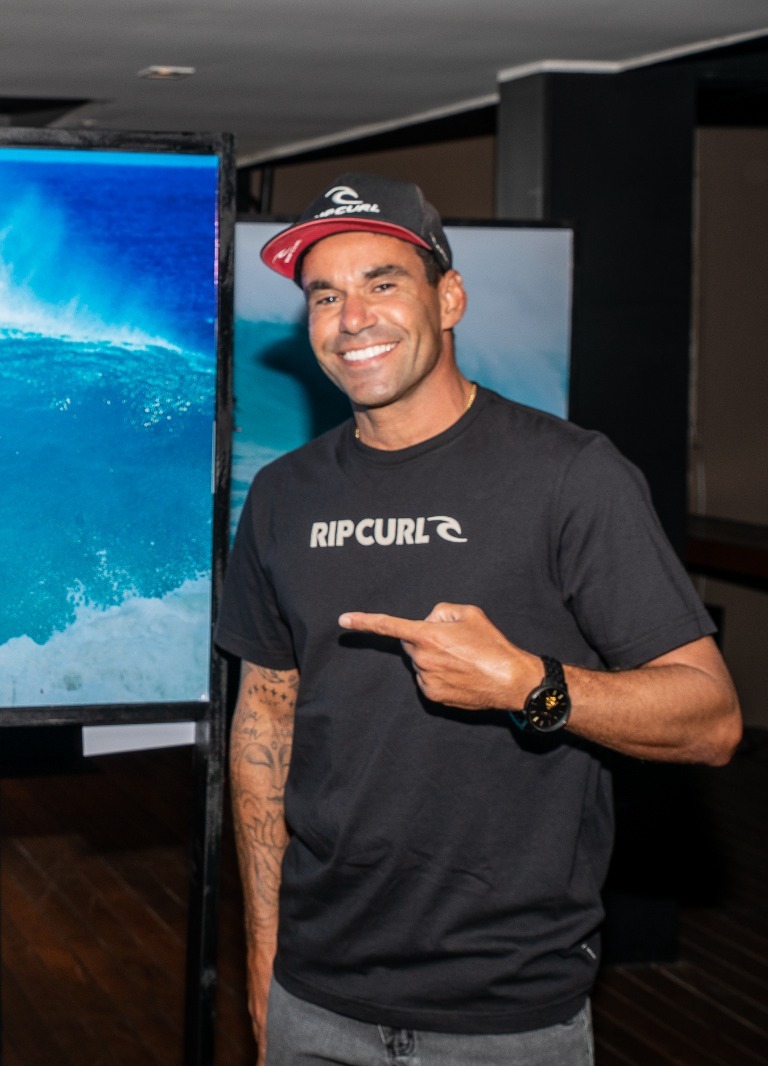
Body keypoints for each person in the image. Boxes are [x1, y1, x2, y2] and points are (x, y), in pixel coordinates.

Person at [216, 172, 742, 1065]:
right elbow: (266, 714)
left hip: (505, 1008)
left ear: (448, 297)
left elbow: (713, 719)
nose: (353, 318)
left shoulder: (571, 477)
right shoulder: (281, 495)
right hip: (315, 992)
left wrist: (532, 687)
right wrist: (265, 955)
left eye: (384, 283)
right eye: (325, 295)